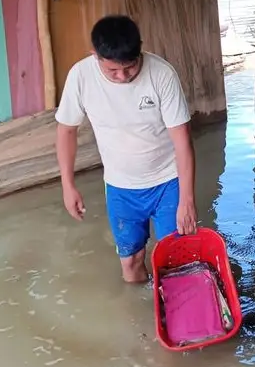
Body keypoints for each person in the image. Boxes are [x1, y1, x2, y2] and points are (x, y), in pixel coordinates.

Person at [55, 15, 198, 283]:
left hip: (168, 181)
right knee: (131, 264)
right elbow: (66, 131)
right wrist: (68, 185)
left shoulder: (162, 74)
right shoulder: (80, 76)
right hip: (121, 187)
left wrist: (186, 200)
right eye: (112, 71)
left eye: (130, 68)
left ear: (140, 49)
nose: (122, 77)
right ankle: (141, 307)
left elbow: (183, 141)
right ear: (95, 55)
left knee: (177, 261)